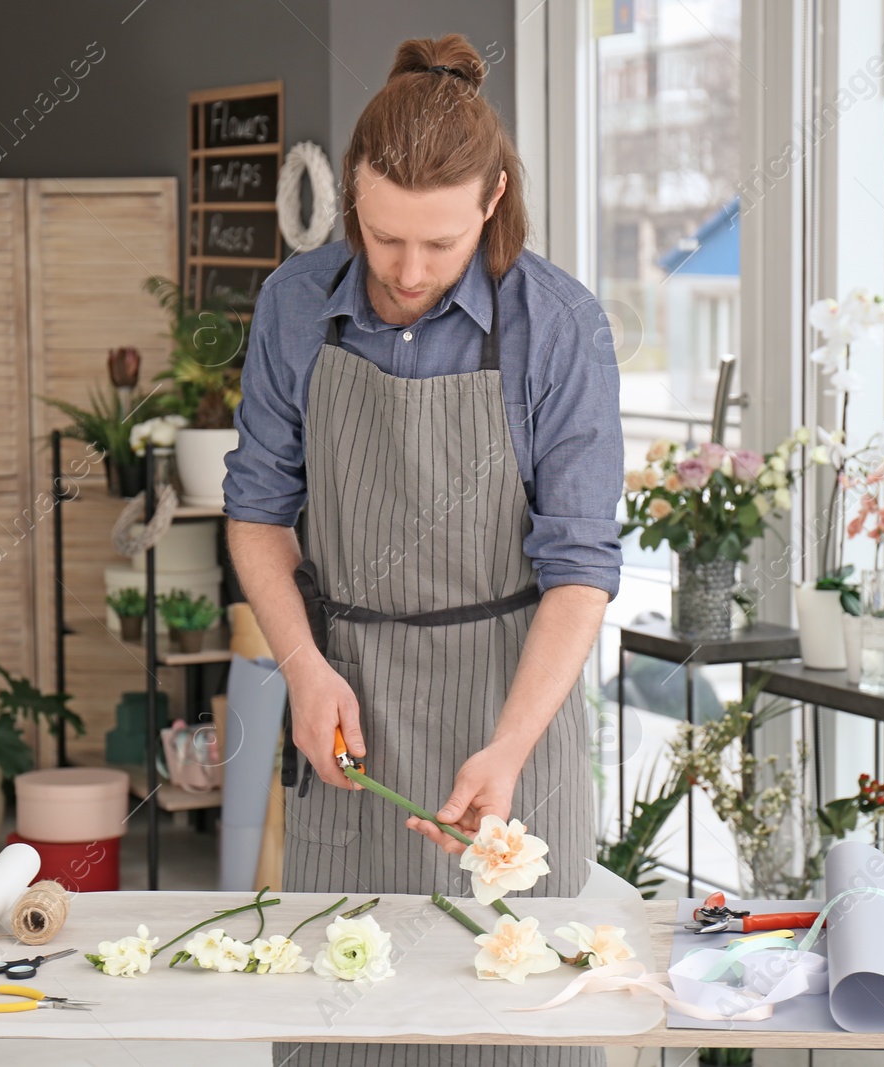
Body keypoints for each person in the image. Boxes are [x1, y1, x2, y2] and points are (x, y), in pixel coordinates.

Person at [223, 32, 622, 1067]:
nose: (405, 271)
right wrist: (303, 669)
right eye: (381, 235)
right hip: (346, 718)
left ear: (492, 200)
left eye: (437, 245)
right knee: (340, 1025)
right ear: (351, 196)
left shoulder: (558, 325)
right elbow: (257, 512)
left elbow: (579, 569)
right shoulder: (294, 306)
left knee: (516, 1028)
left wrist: (508, 748)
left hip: (509, 719)